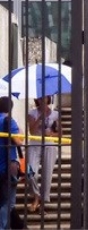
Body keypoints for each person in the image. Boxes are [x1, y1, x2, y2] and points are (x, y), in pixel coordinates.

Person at [26, 95, 61, 211]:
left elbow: (60, 133)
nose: (42, 100)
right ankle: (36, 196)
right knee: (30, 172)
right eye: (40, 98)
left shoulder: (55, 114)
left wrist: (51, 134)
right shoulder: (32, 113)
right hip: (35, 144)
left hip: (49, 144)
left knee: (47, 174)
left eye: (45, 97)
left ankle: (43, 201)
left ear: (48, 99)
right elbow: (31, 130)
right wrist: (40, 118)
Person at [0, 96, 22, 229]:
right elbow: (19, 141)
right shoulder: (9, 121)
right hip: (7, 166)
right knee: (9, 202)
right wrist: (19, 130)